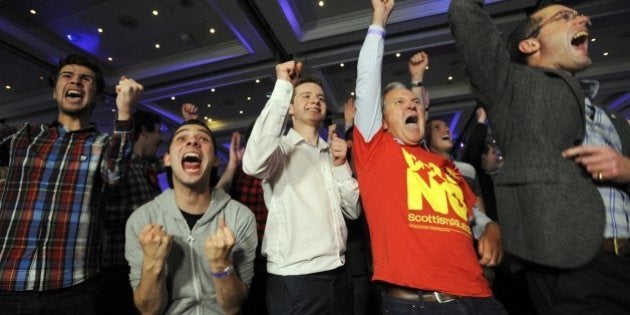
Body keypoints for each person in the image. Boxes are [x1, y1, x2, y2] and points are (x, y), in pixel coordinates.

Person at [449, 0, 630, 313]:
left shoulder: (612, 118)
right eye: (564, 17)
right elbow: (468, 19)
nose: (583, 19)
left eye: (579, 15)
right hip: (570, 266)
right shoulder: (512, 90)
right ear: (530, 43)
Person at [353, 0, 506, 313]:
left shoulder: (446, 165)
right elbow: (367, 81)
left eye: (415, 102)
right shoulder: (376, 151)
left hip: (480, 298)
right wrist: (379, 20)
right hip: (422, 305)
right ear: (381, 121)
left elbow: (474, 213)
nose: (411, 106)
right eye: (399, 103)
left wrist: (492, 228)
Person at [0, 54, 143, 314]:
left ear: (98, 97)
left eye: (85, 79)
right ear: (55, 92)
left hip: (77, 286)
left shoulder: (103, 145)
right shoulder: (23, 135)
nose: (75, 81)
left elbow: (115, 174)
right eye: (67, 76)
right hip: (9, 282)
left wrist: (125, 111)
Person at [242, 61, 360, 314]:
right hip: (296, 281)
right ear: (291, 108)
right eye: (305, 96)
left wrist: (341, 166)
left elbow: (353, 211)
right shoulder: (280, 150)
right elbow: (252, 164)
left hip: (339, 274)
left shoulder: (332, 152)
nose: (315, 100)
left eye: (320, 97)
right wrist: (284, 86)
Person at [125, 119, 257, 315]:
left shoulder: (240, 216)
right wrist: (154, 262)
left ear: (214, 160)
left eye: (202, 139)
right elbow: (149, 310)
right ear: (167, 159)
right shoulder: (142, 220)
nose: (193, 142)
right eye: (182, 138)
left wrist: (221, 264)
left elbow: (233, 307)